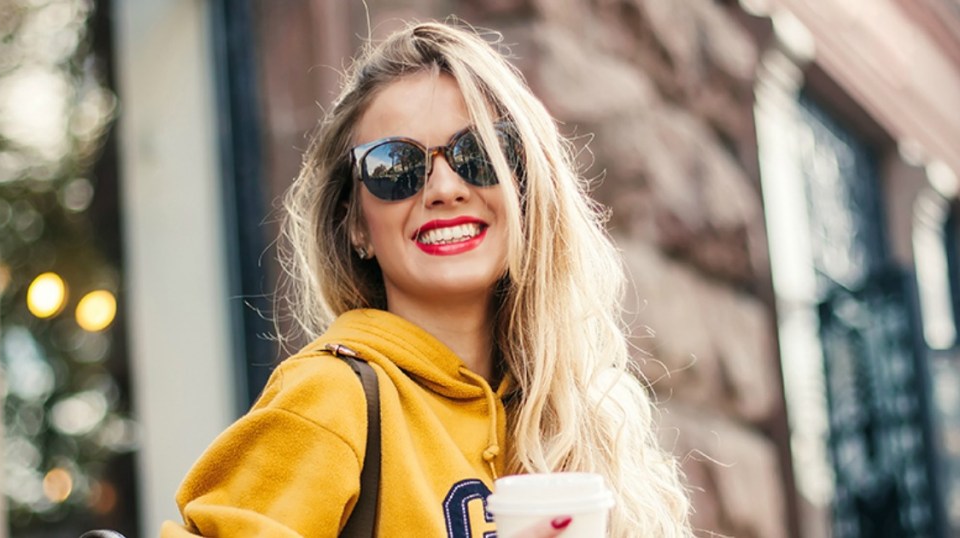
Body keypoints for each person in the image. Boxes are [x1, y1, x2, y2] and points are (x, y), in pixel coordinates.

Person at [162, 20, 691, 537]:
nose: (443, 187)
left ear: (528, 192)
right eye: (395, 166)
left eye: (478, 154)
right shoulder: (330, 398)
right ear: (356, 225)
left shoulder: (581, 420)